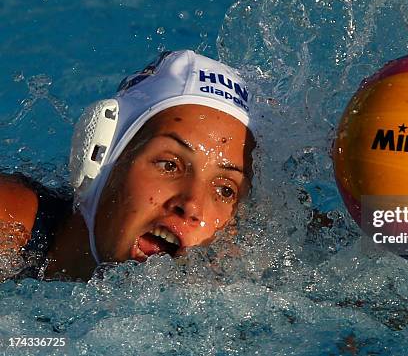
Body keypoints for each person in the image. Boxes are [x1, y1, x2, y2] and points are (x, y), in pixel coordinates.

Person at [0, 50, 255, 281]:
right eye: (169, 165)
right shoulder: (10, 226)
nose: (191, 205)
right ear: (98, 154)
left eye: (225, 190)